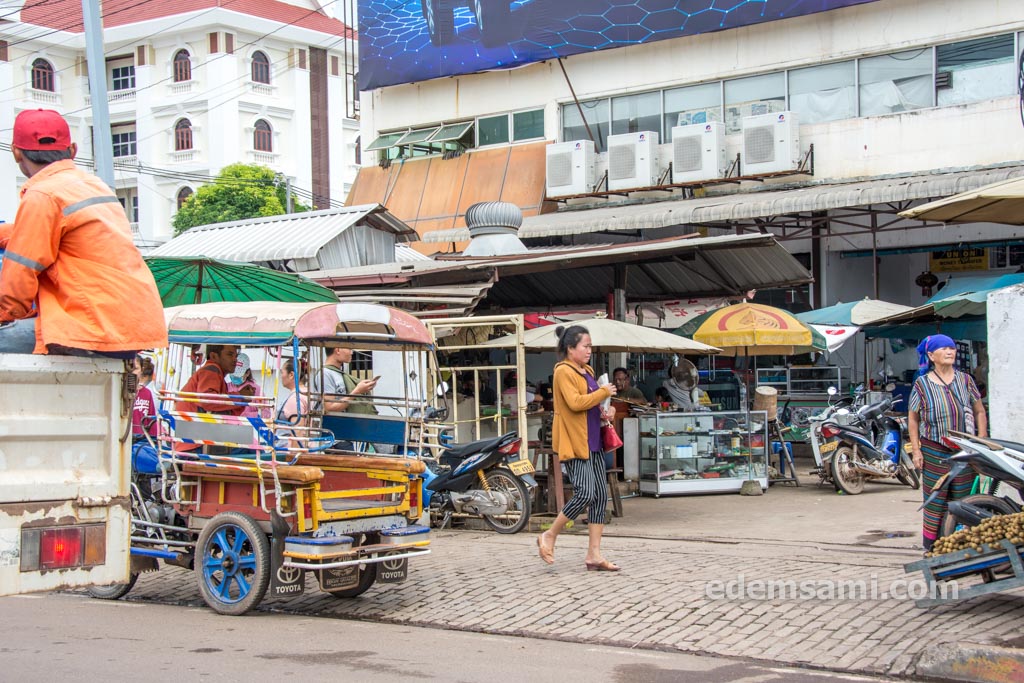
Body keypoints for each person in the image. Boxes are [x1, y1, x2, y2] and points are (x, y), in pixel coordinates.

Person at [0, 109, 166, 356]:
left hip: (88, 327)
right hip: (133, 328)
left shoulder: (42, 195)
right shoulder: (95, 187)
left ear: (15, 151)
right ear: (73, 150)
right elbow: (65, 238)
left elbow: (19, 277)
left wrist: (6, 317)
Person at [536, 324, 619, 572]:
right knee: (584, 493)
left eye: (591, 346)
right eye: (585, 346)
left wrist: (606, 409)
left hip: (593, 439)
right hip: (575, 441)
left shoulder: (587, 371)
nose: (589, 350)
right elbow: (574, 403)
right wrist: (603, 391)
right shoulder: (563, 371)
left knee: (600, 496)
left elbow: (591, 404)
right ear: (570, 348)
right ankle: (550, 535)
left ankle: (594, 554)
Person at [908, 334, 988, 552]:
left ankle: (963, 544)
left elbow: (980, 412)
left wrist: (981, 442)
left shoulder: (966, 380)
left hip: (964, 449)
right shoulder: (922, 384)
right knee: (935, 499)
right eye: (943, 349)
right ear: (932, 355)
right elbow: (913, 418)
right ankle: (933, 546)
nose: (950, 352)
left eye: (951, 348)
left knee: (966, 498)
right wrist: (916, 451)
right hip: (933, 449)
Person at [175, 345, 245, 417]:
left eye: (236, 356)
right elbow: (207, 401)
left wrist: (242, 398)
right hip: (191, 422)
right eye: (230, 355)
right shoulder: (211, 369)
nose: (235, 360)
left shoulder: (217, 374)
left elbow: (223, 410)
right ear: (214, 356)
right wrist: (240, 397)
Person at [311, 347, 379, 414]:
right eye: (349, 349)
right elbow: (329, 408)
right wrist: (357, 391)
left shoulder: (339, 373)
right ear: (338, 350)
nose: (351, 352)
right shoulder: (325, 373)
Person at [227, 352, 271, 420]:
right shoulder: (226, 387)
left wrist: (243, 415)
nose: (235, 377)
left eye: (238, 375)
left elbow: (266, 414)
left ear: (247, 373)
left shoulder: (257, 390)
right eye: (233, 374)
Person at [131, 354, 158, 440]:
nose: (133, 372)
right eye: (131, 368)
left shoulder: (147, 393)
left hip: (141, 441)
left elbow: (151, 420)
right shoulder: (118, 392)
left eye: (136, 368)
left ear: (141, 370)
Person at [276, 358, 308, 424]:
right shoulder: (306, 392)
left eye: (282, 372)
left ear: (291, 375)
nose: (281, 376)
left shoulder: (295, 398)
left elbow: (297, 430)